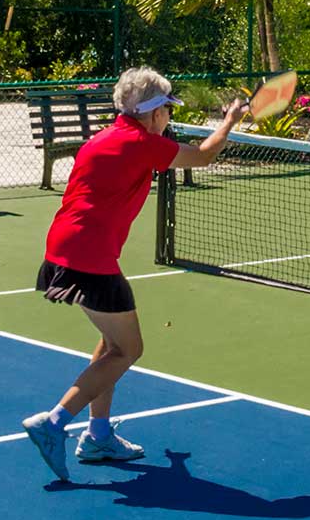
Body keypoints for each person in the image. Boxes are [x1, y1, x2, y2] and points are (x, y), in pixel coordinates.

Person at [21, 67, 247, 482]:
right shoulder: (140, 144)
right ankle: (53, 423)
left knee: (111, 343)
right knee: (128, 350)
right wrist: (230, 120)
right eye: (166, 110)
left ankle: (97, 435)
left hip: (62, 248)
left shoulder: (105, 138)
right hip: (90, 258)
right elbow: (203, 156)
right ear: (153, 112)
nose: (169, 118)